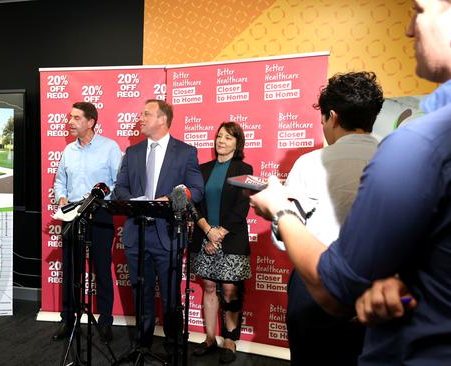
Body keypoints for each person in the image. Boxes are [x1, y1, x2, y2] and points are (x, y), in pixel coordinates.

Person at [248, 1, 451, 363]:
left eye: (419, 10)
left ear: (332, 117)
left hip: (321, 291)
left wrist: (278, 210)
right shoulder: (398, 147)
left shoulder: (408, 150)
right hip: (384, 298)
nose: (409, 28)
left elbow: (303, 258)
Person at [281, 71, 383, 365]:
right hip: (379, 288)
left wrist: (275, 208)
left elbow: (284, 236)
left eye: (323, 118)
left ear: (333, 117)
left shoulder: (309, 163)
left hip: (316, 283)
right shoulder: (394, 157)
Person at [114, 99, 204, 351]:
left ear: (162, 119)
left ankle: (174, 345)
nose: (140, 118)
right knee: (140, 294)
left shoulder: (186, 152)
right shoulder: (132, 153)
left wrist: (169, 199)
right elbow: (120, 187)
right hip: (136, 234)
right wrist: (135, 202)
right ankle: (141, 346)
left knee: (170, 296)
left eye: (146, 114)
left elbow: (196, 190)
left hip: (168, 234)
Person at [50, 102, 122, 343]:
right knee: (71, 269)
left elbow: (117, 184)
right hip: (72, 215)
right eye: (70, 117)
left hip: (100, 214)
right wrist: (61, 197)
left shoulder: (110, 147)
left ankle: (105, 322)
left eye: (76, 118)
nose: (70, 122)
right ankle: (67, 320)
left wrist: (98, 200)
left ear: (90, 122)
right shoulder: (69, 150)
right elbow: (60, 180)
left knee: (102, 268)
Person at [189, 122, 252, 364]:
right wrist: (207, 231)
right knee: (208, 287)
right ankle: (209, 338)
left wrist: (219, 233)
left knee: (230, 289)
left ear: (237, 143)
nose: (221, 141)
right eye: (219, 136)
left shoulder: (244, 168)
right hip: (203, 237)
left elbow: (242, 206)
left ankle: (230, 340)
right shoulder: (202, 169)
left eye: (228, 137)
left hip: (232, 237)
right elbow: (194, 203)